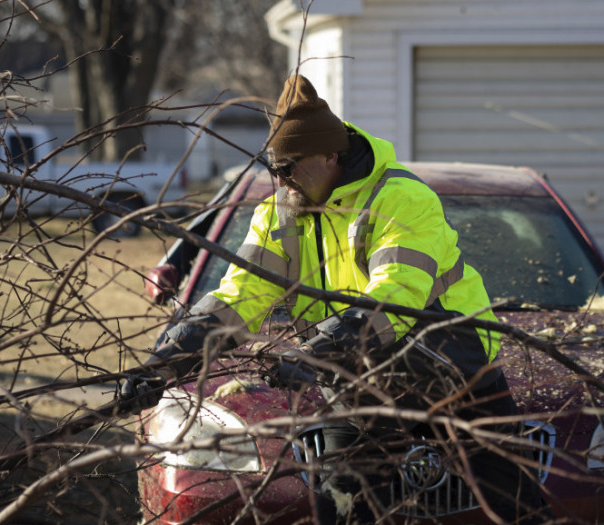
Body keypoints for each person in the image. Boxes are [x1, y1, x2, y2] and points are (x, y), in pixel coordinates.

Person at [122, 74, 545, 524]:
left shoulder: (401, 199)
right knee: (342, 500)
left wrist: (316, 351)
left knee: (514, 504)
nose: (281, 179)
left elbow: (394, 296)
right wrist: (166, 363)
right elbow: (239, 295)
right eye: (274, 168)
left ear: (331, 155)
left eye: (290, 166)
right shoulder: (279, 214)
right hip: (360, 378)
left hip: (451, 365)